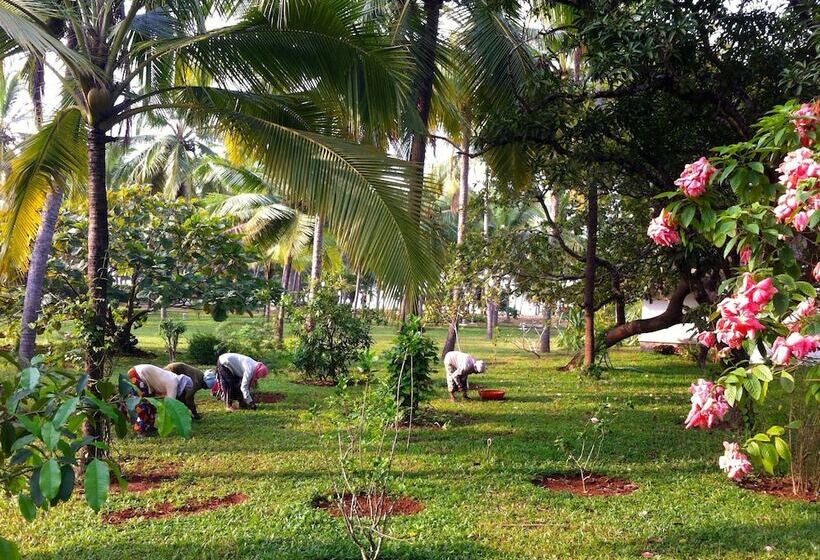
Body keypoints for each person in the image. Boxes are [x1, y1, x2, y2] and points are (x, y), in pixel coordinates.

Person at [126, 364, 194, 435]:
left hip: (139, 373)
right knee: (144, 405)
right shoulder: (173, 383)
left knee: (151, 404)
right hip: (137, 375)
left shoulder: (172, 376)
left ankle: (149, 427)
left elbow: (159, 388)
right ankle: (140, 430)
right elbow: (170, 404)